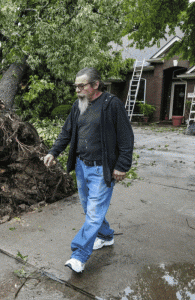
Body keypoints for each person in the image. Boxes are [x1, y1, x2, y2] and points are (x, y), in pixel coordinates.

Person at [43, 67, 134, 273]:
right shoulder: (79, 105)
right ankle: (105, 236)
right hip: (82, 166)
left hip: (102, 169)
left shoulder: (112, 105)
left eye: (81, 86)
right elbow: (66, 132)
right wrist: (53, 152)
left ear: (95, 85)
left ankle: (79, 255)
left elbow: (126, 138)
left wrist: (122, 166)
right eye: (75, 86)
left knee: (93, 213)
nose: (77, 90)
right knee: (89, 208)